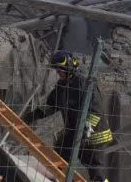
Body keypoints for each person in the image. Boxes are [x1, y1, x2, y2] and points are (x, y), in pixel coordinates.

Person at [21, 51, 113, 182]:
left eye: (60, 71)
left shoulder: (84, 84)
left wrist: (87, 127)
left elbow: (95, 110)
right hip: (75, 131)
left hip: (94, 134)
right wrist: (32, 116)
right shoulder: (61, 86)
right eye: (57, 71)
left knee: (95, 169)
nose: (59, 74)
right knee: (60, 152)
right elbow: (51, 106)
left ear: (69, 68)